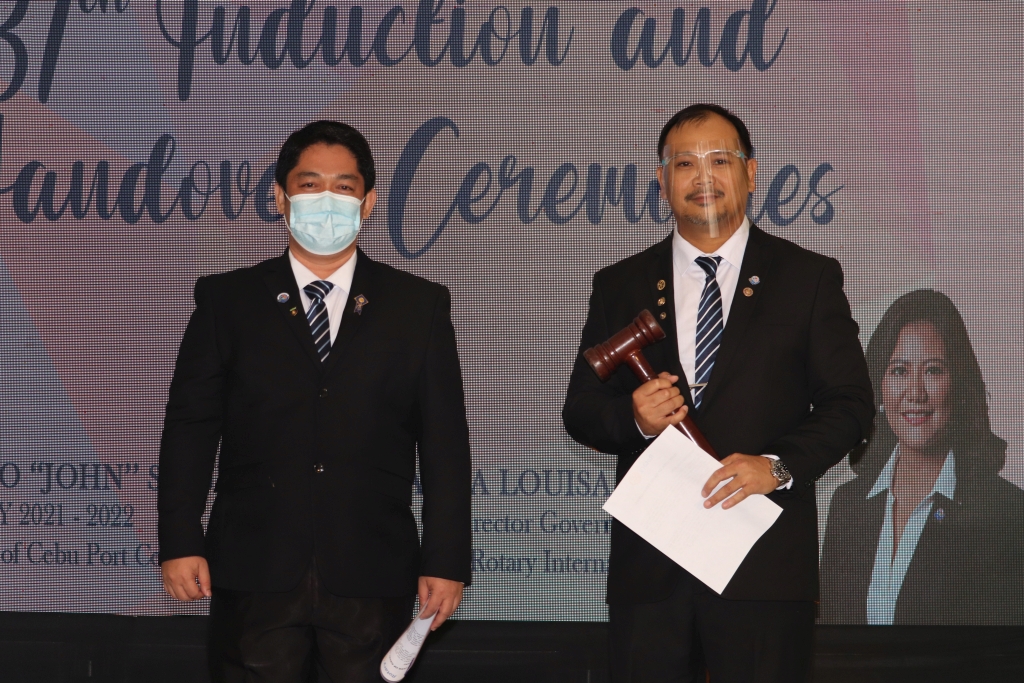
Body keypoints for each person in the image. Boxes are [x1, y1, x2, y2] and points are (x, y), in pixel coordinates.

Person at [562, 104, 873, 683]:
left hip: (762, 566)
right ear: (662, 182)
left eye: (719, 160)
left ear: (750, 173)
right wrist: (635, 419)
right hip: (652, 569)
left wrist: (776, 466)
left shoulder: (807, 278)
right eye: (685, 163)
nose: (702, 176)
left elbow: (851, 406)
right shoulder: (620, 284)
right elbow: (580, 410)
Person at [157, 121, 472, 682]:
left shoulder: (417, 306)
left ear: (368, 202)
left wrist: (446, 560)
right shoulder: (227, 300)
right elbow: (191, 427)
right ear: (281, 198)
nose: (326, 200)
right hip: (254, 568)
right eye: (309, 185)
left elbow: (445, 444)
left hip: (372, 570)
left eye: (344, 187)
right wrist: (180, 539)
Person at [820, 289, 1024, 625]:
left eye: (933, 370)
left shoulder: (1005, 511)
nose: (915, 393)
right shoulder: (847, 506)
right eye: (899, 371)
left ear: (959, 385)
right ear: (879, 387)